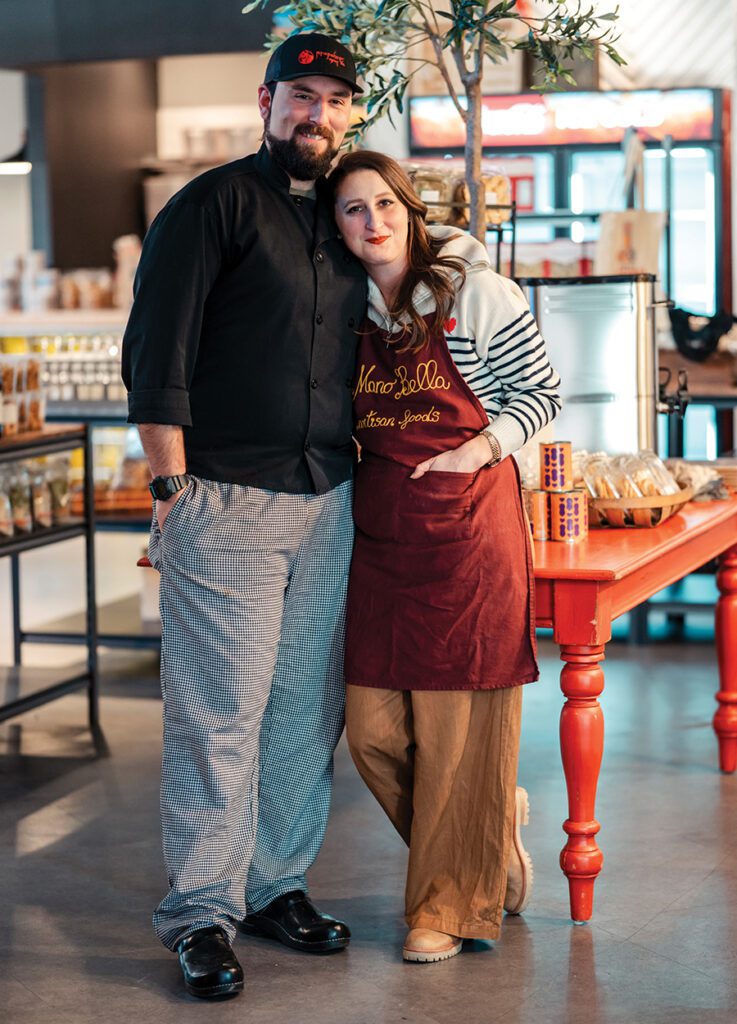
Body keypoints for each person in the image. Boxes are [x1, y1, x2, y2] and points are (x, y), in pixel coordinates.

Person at [121, 34, 367, 999]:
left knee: (303, 713)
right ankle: (201, 913)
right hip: (225, 496)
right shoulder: (213, 205)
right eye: (300, 95)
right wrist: (171, 487)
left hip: (329, 498)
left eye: (333, 99)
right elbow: (158, 350)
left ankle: (273, 885)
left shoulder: (354, 218)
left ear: (351, 113)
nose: (317, 113)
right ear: (266, 101)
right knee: (219, 719)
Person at [330, 151, 561, 964]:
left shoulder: (477, 292)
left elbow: (541, 393)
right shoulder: (344, 310)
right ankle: (486, 832)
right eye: (352, 209)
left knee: (455, 732)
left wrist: (474, 453)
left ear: (410, 207)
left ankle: (448, 907)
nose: (373, 221)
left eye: (384, 203)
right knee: (372, 732)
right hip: (383, 533)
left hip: (466, 526)